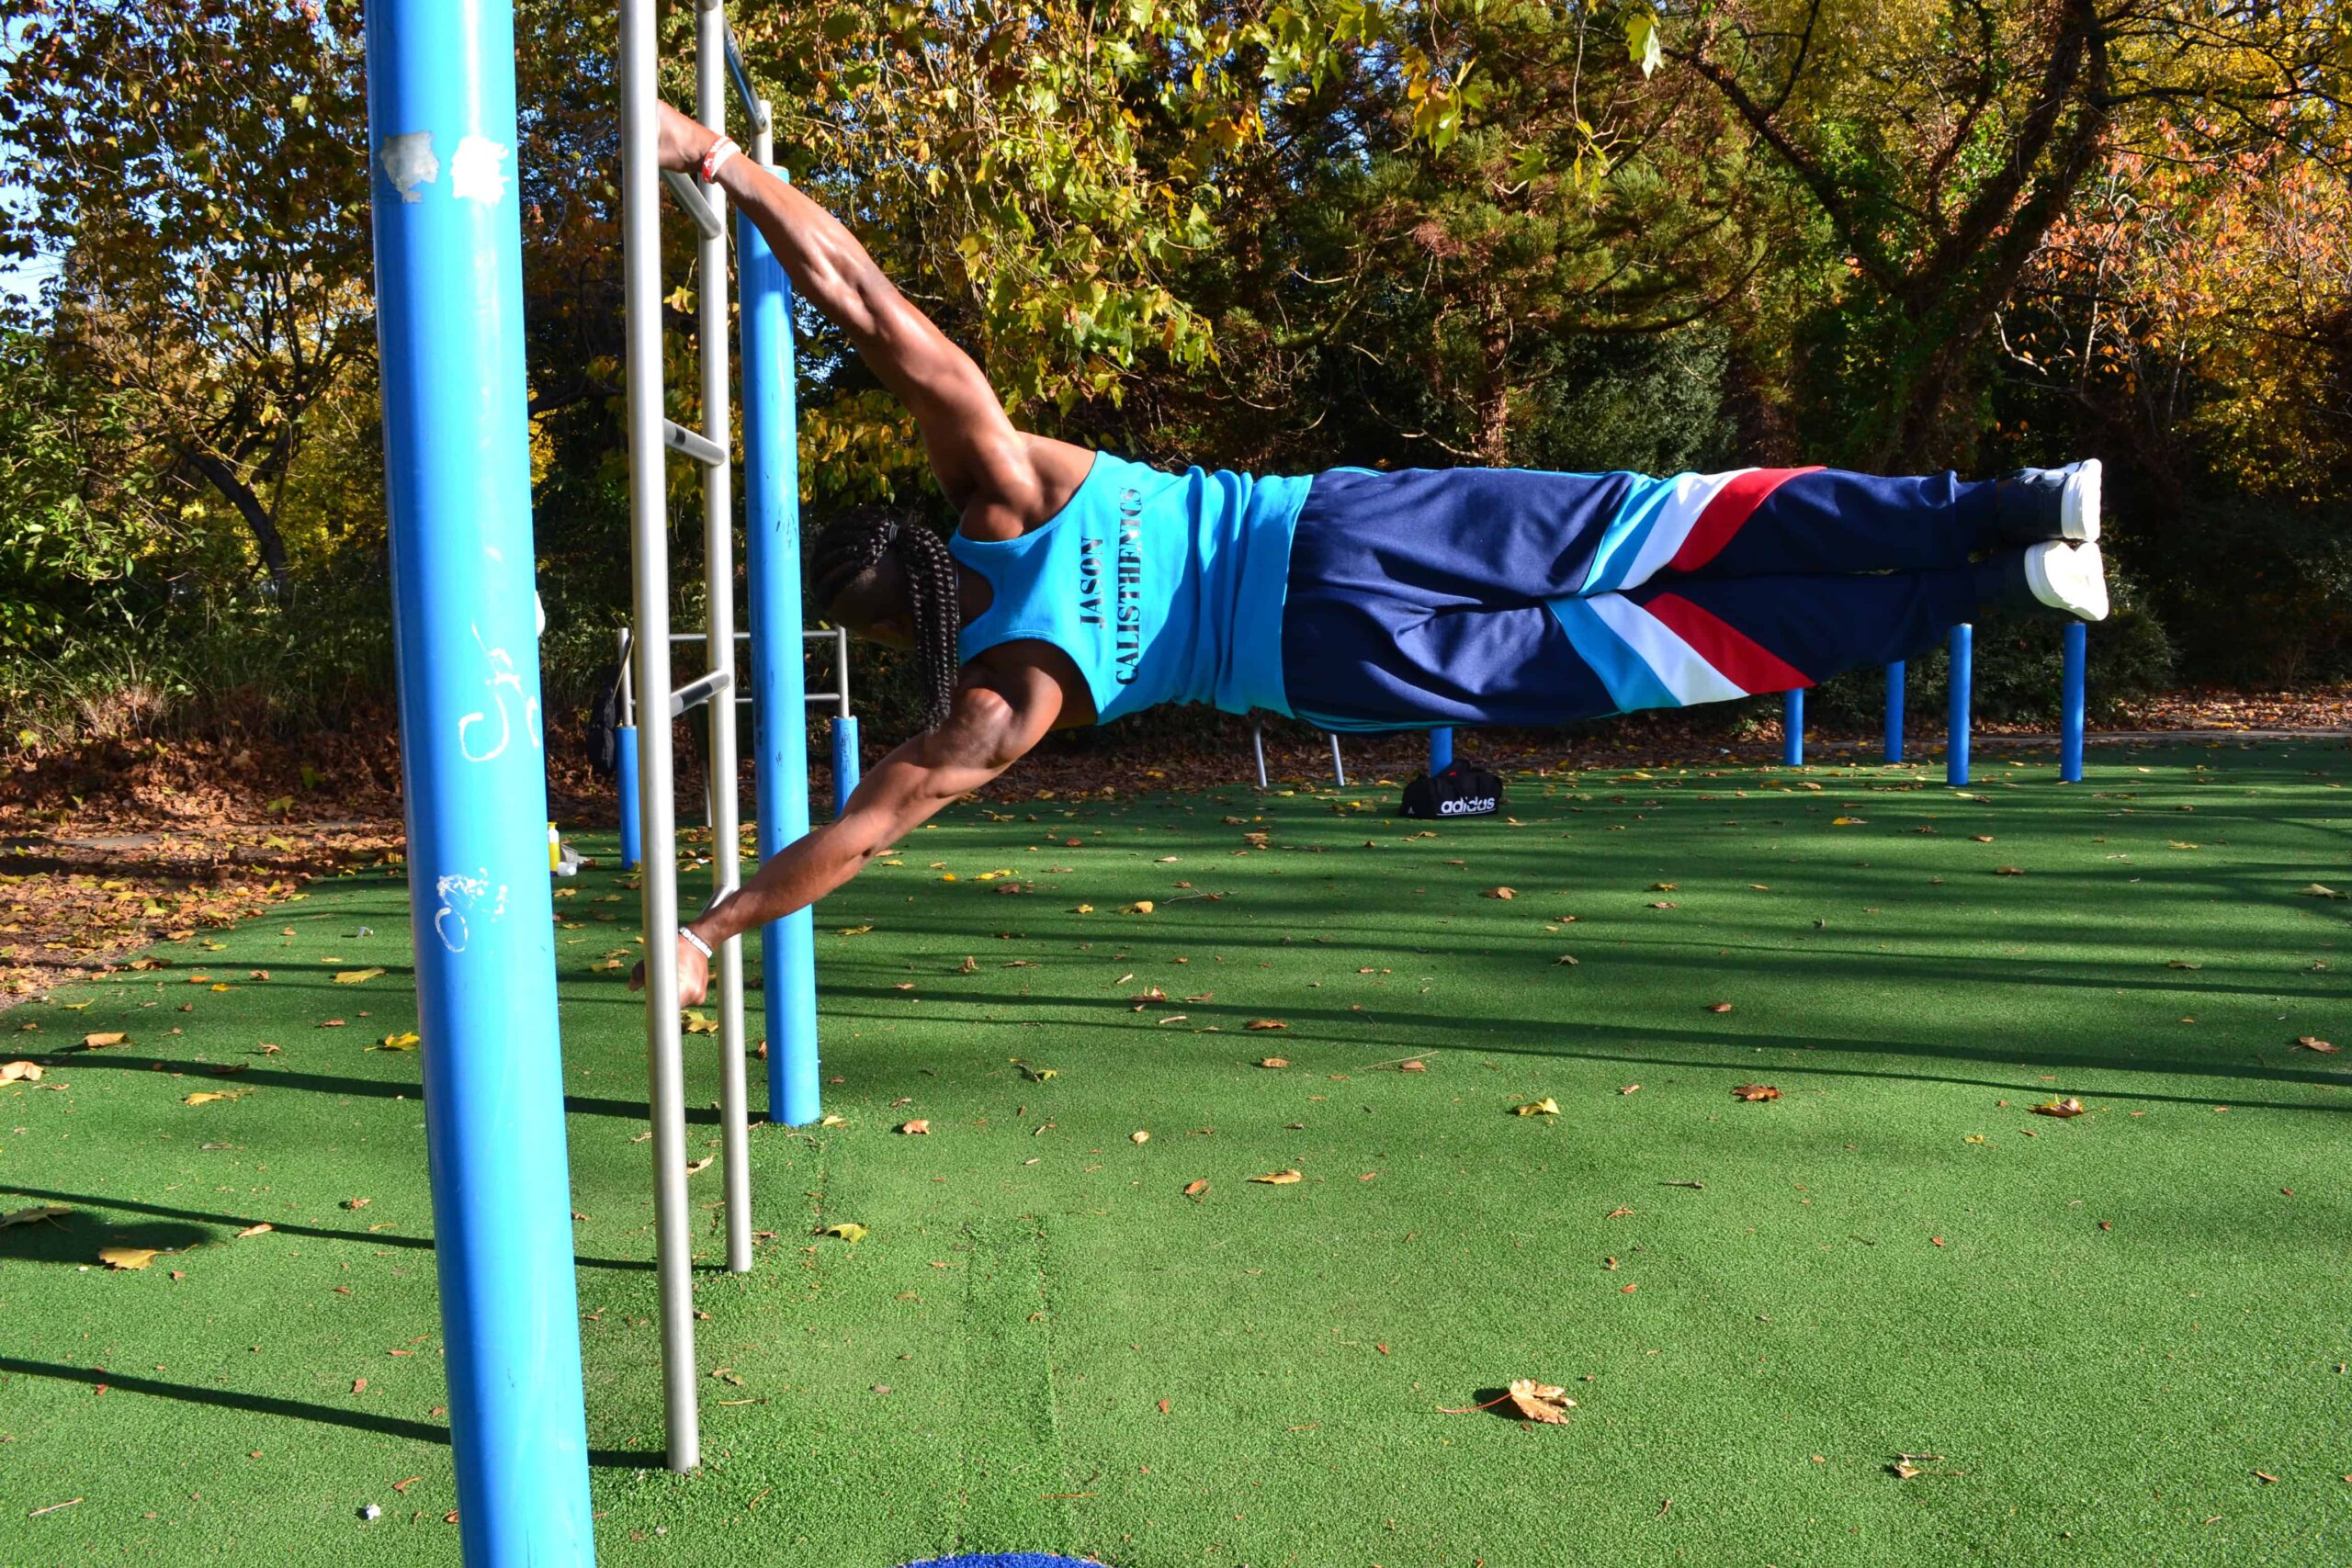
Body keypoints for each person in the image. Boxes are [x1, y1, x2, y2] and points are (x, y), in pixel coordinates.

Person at [634, 102, 2112, 1006]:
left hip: (1329, 642)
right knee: (1683, 526)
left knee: (1663, 646)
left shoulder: (996, 700)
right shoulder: (1004, 490)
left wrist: (716, 926)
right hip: (1338, 535)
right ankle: (2009, 510)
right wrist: (724, 164)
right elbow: (879, 310)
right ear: (908, 542)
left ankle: (2006, 576)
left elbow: (876, 823)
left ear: (898, 634)